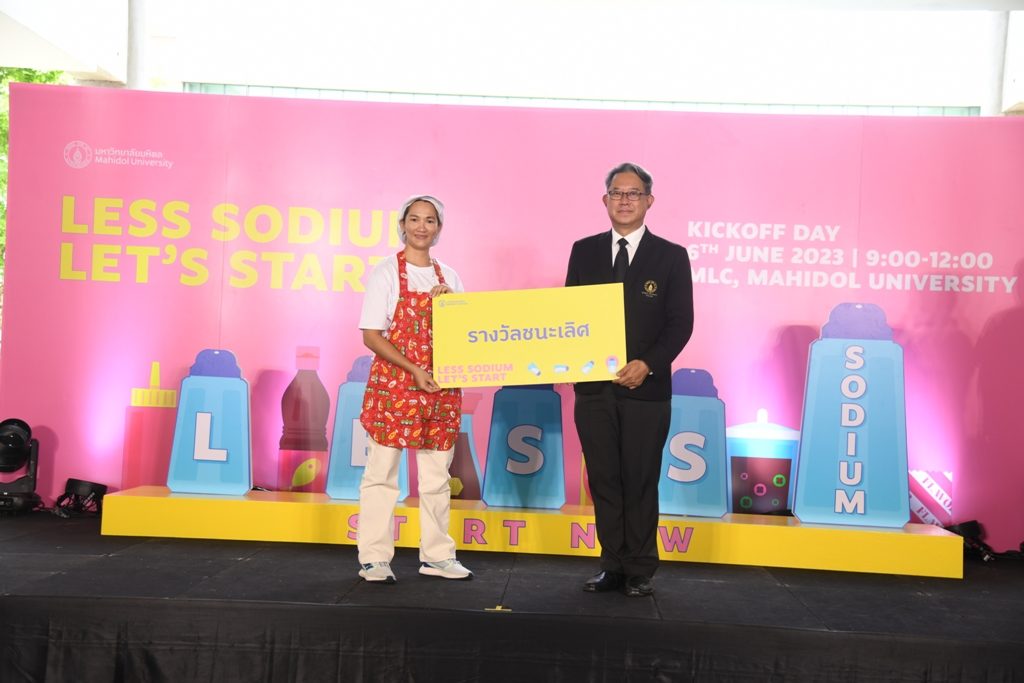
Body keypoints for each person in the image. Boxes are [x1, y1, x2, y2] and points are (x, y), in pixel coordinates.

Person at [565, 162, 694, 597]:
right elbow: (568, 317)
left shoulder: (671, 256)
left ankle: (640, 568)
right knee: (603, 479)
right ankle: (612, 565)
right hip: (594, 390)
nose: (625, 200)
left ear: (649, 201)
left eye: (633, 193)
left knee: (640, 479)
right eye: (617, 193)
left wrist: (648, 364)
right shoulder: (583, 251)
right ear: (605, 200)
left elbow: (680, 323)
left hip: (647, 390)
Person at [356, 194, 473, 584]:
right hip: (395, 386)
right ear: (403, 225)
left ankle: (437, 556)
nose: (422, 227)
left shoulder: (449, 276)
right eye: (415, 219)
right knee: (382, 473)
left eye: (430, 220)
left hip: (440, 387)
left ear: (439, 228)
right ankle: (374, 558)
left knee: (437, 475)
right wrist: (413, 369)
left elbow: (466, 334)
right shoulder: (386, 272)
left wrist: (453, 306)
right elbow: (372, 335)